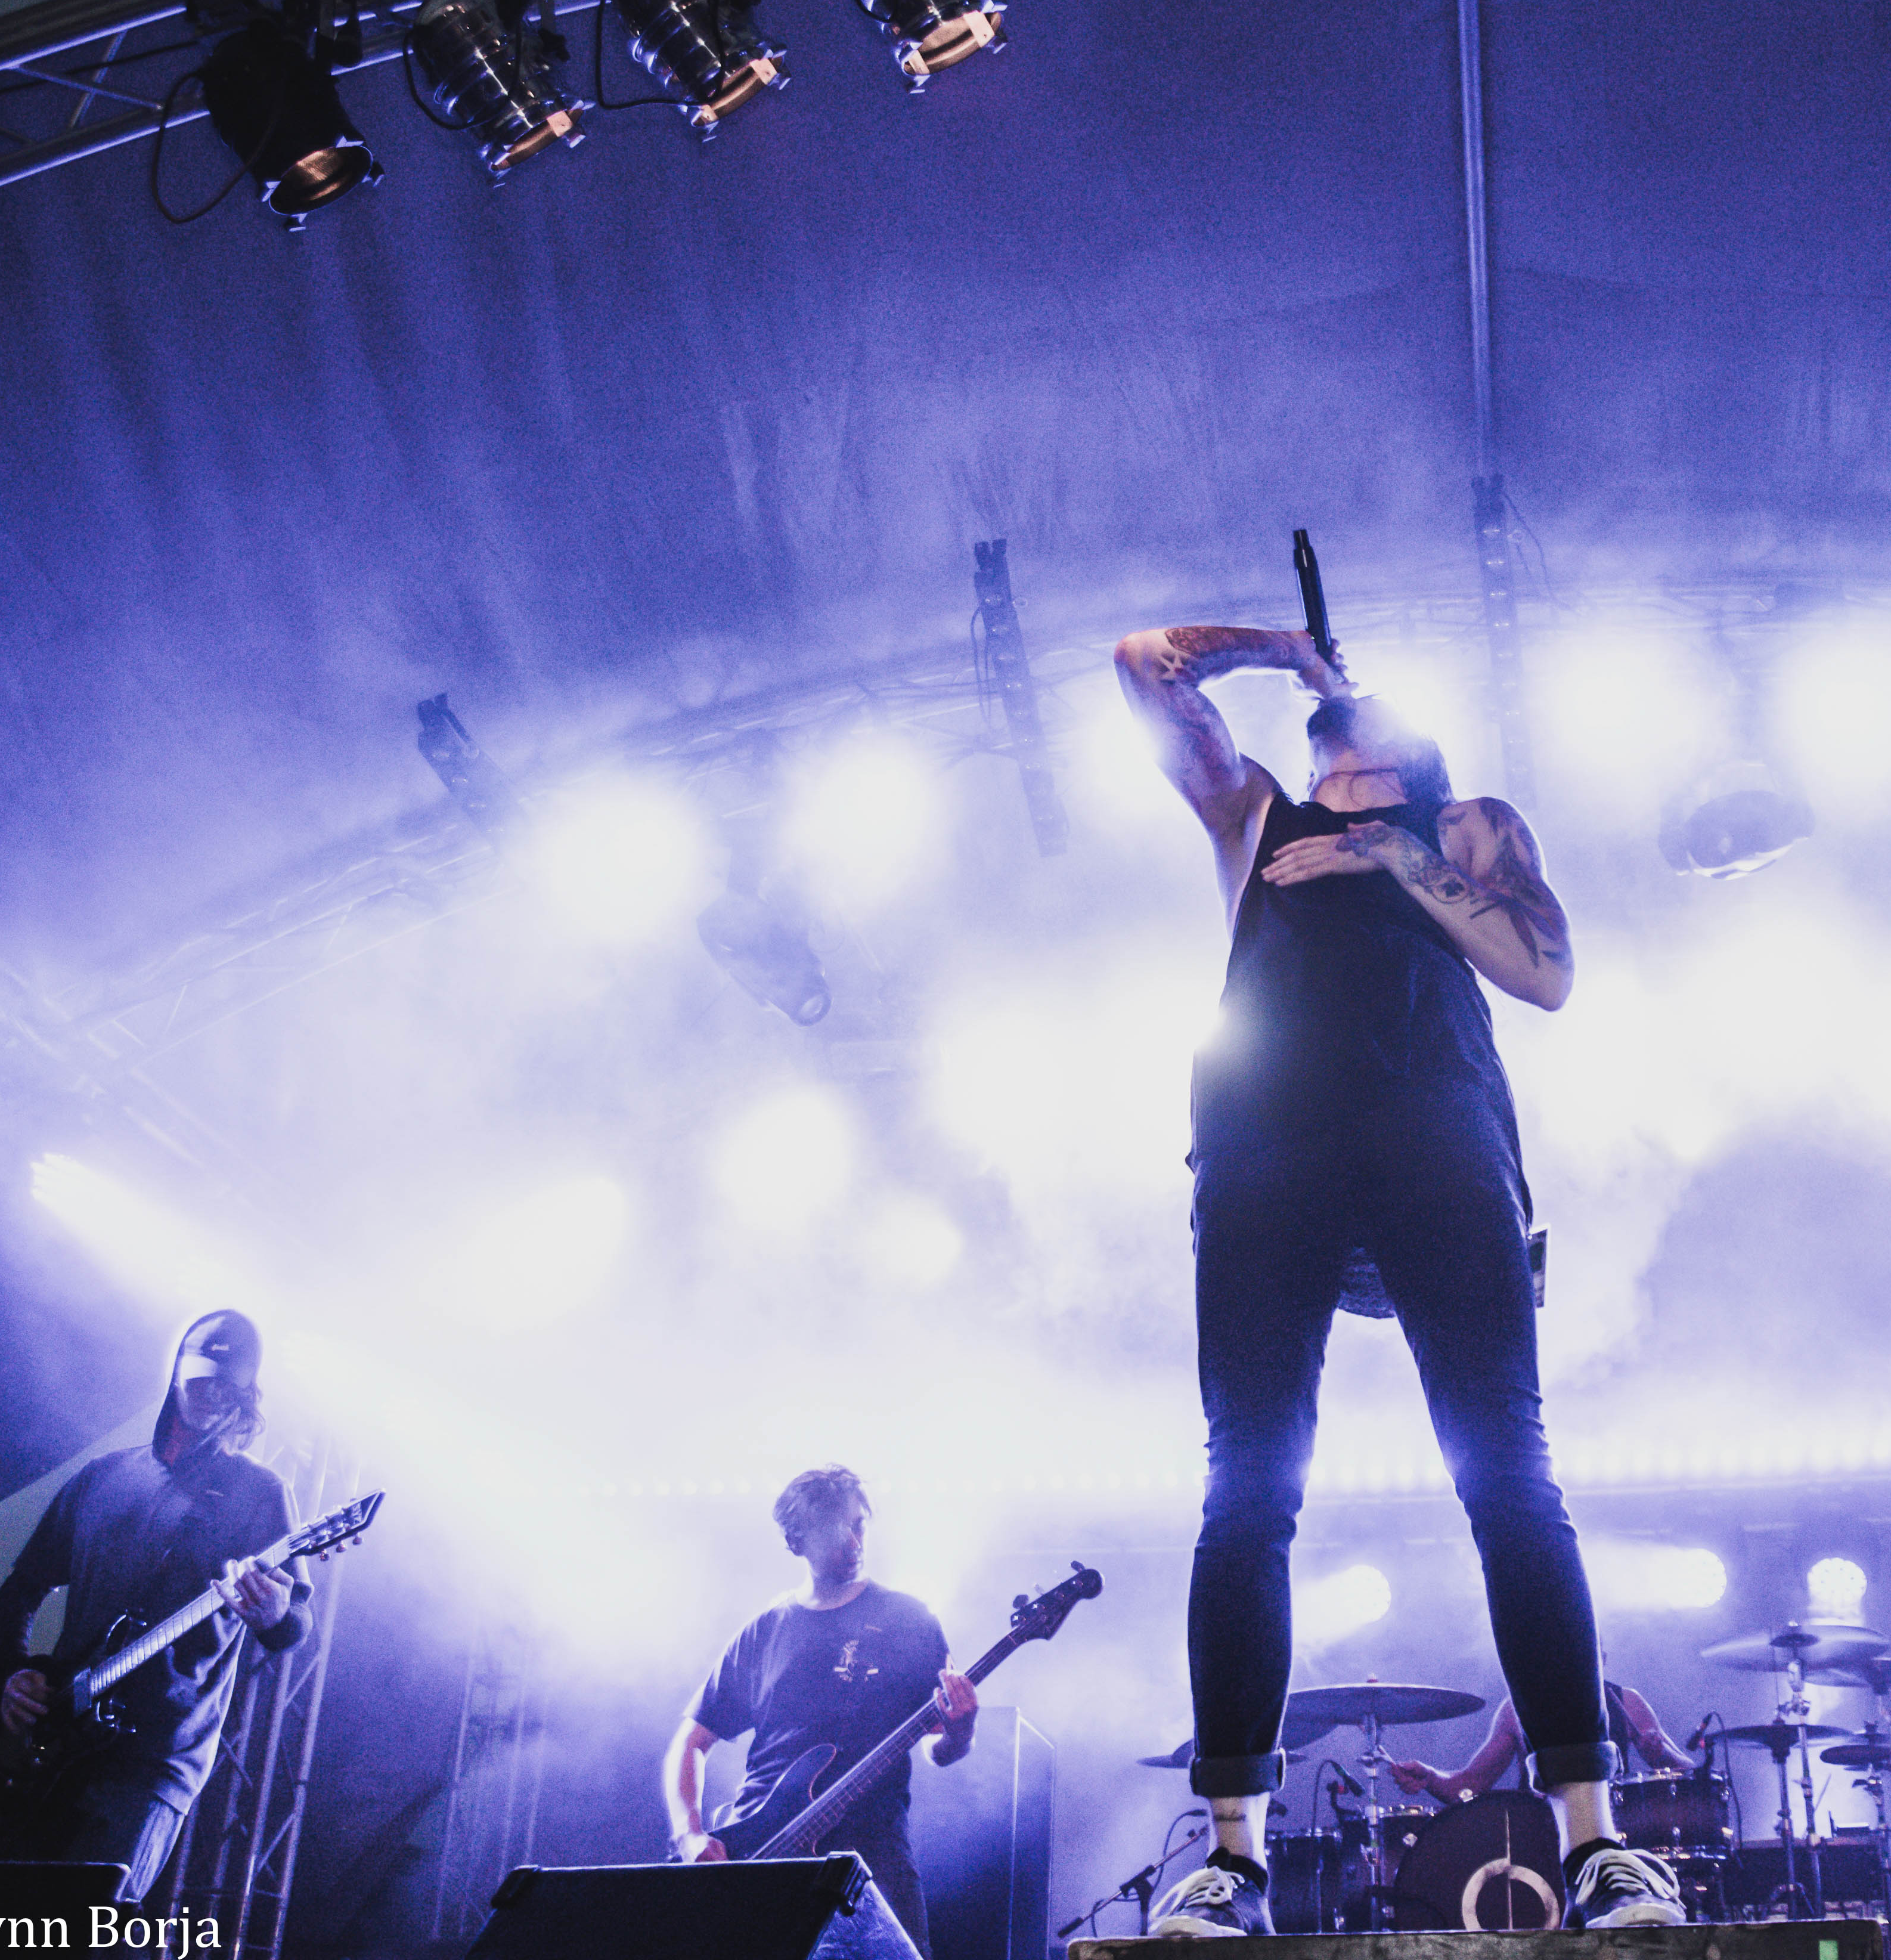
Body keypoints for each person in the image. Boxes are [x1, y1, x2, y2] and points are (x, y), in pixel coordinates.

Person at [1110, 619, 1684, 1936]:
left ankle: (1595, 1846)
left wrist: (1389, 853)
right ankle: (1232, 1860)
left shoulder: (1463, 825)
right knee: (1246, 1489)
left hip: (1440, 1137)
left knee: (1510, 1478)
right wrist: (1277, 646)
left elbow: (1545, 976)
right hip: (1262, 1151)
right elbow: (1143, 664)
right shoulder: (1257, 814)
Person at [0, 1309, 308, 1906]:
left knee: (89, 1931)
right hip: (56, 1735)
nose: (211, 1394)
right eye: (202, 1378)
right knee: (6, 1926)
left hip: (154, 1759)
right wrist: (15, 1674)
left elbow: (293, 1628)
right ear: (177, 1373)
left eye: (227, 1386)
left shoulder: (261, 1494)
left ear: (245, 1396)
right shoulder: (104, 1476)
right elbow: (17, 1596)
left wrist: (273, 1614)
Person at [665, 1466, 978, 1957]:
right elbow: (690, 1743)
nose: (853, 1542)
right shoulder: (766, 1630)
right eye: (836, 1531)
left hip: (874, 1852)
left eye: (859, 1526)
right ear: (797, 1542)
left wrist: (961, 1730)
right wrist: (690, 1835)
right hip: (760, 1849)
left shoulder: (910, 1620)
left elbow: (941, 1750)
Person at [1391, 1679, 1692, 1803]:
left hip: (1612, 1832)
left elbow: (1689, 1771)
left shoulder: (1626, 1701)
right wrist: (1431, 1778)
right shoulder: (1518, 1709)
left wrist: (1662, 1753)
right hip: (1539, 1838)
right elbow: (1470, 1785)